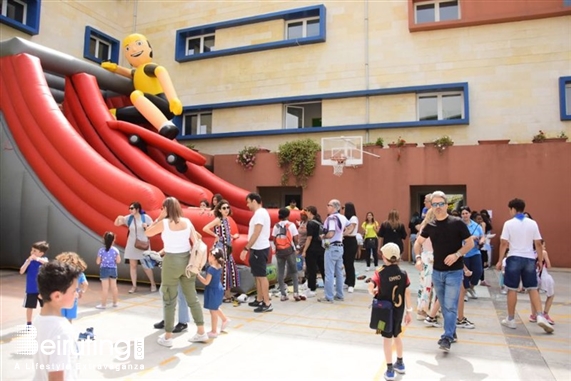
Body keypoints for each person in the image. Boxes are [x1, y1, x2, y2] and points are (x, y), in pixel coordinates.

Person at [413, 190, 474, 352]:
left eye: (441, 204)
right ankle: (452, 332)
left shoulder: (457, 223)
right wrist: (418, 258)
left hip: (454, 271)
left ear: (447, 205)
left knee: (449, 305)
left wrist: (457, 255)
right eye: (435, 204)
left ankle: (446, 337)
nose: (438, 207)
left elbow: (469, 244)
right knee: (445, 305)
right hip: (437, 272)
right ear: (431, 207)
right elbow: (417, 243)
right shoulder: (430, 226)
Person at [145, 197, 208, 346]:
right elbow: (196, 240)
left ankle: (168, 336)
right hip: (187, 262)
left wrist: (158, 218)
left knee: (169, 299)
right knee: (192, 298)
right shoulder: (188, 222)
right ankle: (201, 331)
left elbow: (148, 233)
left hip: (171, 262)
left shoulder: (164, 223)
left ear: (166, 209)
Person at [101, 33, 182, 139]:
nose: (134, 49)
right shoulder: (136, 72)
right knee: (113, 113)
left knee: (136, 94)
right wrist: (114, 68)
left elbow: (162, 72)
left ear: (149, 48)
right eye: (128, 48)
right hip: (145, 110)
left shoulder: (149, 67)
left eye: (138, 44)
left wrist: (173, 99)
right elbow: (129, 73)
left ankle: (166, 125)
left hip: (162, 104)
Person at [496, 198, 553, 333]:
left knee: (512, 289)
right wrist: (539, 260)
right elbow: (538, 243)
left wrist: (499, 260)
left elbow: (504, 243)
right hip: (529, 259)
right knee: (533, 288)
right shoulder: (533, 223)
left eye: (509, 210)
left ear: (513, 209)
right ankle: (540, 315)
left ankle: (511, 319)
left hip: (514, 257)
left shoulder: (508, 224)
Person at [368, 243, 412, 381]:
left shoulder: (379, 272)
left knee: (386, 338)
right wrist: (409, 311)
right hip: (399, 311)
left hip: (383, 312)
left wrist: (373, 291)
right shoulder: (403, 273)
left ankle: (389, 369)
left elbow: (371, 286)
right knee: (397, 334)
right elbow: (407, 292)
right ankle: (400, 363)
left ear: (383, 256)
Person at [34, 260, 82, 381]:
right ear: (56, 296)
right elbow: (56, 376)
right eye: (74, 291)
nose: (77, 294)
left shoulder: (39, 320)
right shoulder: (61, 331)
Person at [114, 201, 157, 293]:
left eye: (132, 208)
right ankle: (134, 286)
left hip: (143, 244)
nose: (130, 210)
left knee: (146, 266)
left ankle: (153, 284)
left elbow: (154, 228)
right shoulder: (129, 218)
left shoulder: (145, 218)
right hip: (132, 245)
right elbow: (116, 224)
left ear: (137, 209)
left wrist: (146, 227)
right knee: (132, 266)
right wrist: (118, 218)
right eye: (129, 208)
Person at [240, 192, 272, 313]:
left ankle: (267, 302)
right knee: (258, 276)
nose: (247, 205)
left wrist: (246, 248)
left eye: (248, 202)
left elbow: (256, 232)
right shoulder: (260, 213)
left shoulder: (260, 214)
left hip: (260, 248)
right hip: (257, 248)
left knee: (262, 276)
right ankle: (259, 299)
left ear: (254, 201)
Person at [203, 199, 240, 302]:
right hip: (221, 248)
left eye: (228, 207)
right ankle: (223, 295)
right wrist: (215, 235)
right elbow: (205, 228)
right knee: (223, 271)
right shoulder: (218, 219)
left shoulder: (226, 219)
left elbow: (226, 233)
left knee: (228, 270)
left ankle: (227, 294)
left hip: (227, 247)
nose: (226, 210)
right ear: (219, 210)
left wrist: (233, 236)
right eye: (224, 208)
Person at [456, 206, 483, 330]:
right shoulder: (459, 225)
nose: (465, 215)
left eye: (466, 213)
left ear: (470, 214)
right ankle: (465, 291)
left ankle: (471, 287)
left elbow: (482, 236)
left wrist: (480, 240)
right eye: (463, 213)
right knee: (464, 275)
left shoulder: (476, 226)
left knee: (478, 271)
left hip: (475, 252)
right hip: (464, 253)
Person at [318, 199, 348, 303]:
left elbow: (330, 233)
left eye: (328, 205)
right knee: (339, 272)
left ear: (334, 207)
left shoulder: (331, 218)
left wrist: (323, 236)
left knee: (329, 273)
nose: (327, 207)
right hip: (340, 246)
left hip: (331, 246)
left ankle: (329, 296)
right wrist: (343, 235)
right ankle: (339, 294)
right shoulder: (343, 217)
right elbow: (351, 226)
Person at [197, 248, 230, 338]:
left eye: (210, 255)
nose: (208, 257)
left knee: (213, 311)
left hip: (212, 290)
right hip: (218, 289)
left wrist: (198, 275)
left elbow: (206, 282)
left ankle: (214, 331)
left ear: (214, 257)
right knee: (215, 308)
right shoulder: (219, 265)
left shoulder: (211, 269)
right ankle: (224, 320)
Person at [273, 208, 304, 301]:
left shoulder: (276, 226)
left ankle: (283, 294)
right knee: (294, 271)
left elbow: (274, 239)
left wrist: (278, 247)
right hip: (289, 250)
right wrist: (297, 247)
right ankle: (295, 292)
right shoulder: (291, 225)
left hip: (279, 251)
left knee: (281, 272)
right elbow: (296, 238)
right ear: (288, 215)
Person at [19, 240, 49, 325]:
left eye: (35, 251)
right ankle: (29, 323)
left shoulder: (43, 260)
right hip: (31, 288)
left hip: (42, 289)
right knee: (29, 306)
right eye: (32, 250)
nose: (32, 252)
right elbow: (21, 271)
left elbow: (47, 264)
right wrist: (28, 261)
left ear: (41, 253)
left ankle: (44, 320)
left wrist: (37, 259)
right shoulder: (29, 261)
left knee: (45, 305)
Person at [56, 252, 89, 322]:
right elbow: (85, 284)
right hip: (73, 295)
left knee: (60, 317)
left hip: (62, 295)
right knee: (69, 318)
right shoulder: (79, 273)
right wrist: (81, 291)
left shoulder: (61, 272)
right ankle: (68, 330)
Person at [301, 206, 326, 298]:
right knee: (323, 269)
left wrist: (304, 250)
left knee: (311, 269)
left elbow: (309, 238)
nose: (305, 213)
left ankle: (312, 288)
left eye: (306, 211)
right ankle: (327, 287)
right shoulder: (320, 222)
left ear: (310, 212)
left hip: (312, 249)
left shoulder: (310, 223)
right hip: (321, 248)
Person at [530, 241, 555, 325]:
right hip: (543, 276)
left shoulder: (530, 253)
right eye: (544, 245)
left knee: (534, 295)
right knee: (551, 295)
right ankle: (545, 314)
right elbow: (549, 265)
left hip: (533, 276)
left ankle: (534, 315)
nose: (545, 247)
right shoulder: (543, 252)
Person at [95, 231, 121, 309]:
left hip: (104, 269)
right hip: (113, 269)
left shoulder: (101, 250)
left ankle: (103, 304)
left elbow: (98, 262)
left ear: (104, 240)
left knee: (105, 288)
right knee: (114, 287)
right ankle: (115, 302)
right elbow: (118, 261)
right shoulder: (116, 250)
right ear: (113, 240)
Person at [343, 202, 359, 293]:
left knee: (350, 263)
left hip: (351, 241)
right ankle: (347, 280)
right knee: (345, 262)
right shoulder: (345, 218)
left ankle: (351, 283)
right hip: (345, 241)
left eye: (344, 208)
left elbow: (351, 228)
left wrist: (343, 234)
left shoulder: (353, 218)